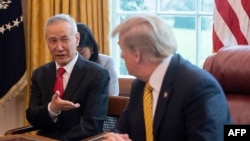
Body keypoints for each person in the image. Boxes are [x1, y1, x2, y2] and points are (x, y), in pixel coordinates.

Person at [102, 14, 232, 141]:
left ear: (137, 55)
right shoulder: (140, 85)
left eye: (122, 49)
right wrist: (115, 137)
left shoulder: (198, 87)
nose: (121, 56)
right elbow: (122, 128)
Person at [26, 14, 110, 141]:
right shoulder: (40, 74)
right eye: (53, 41)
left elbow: (92, 125)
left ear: (76, 39)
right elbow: (32, 116)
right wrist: (51, 109)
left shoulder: (97, 74)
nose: (59, 48)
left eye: (65, 39)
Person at [76, 22, 119, 96]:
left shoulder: (106, 63)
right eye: (74, 53)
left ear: (91, 48)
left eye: (81, 52)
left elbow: (112, 95)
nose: (77, 57)